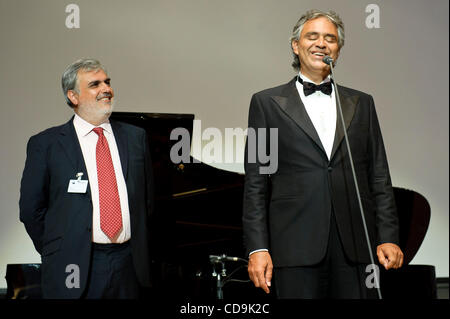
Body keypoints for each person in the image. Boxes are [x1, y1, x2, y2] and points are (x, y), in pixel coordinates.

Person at [243, 10, 404, 299]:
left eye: (330, 38)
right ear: (296, 45)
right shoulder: (266, 103)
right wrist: (258, 247)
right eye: (312, 36)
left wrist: (388, 237)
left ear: (338, 49)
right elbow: (256, 182)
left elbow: (379, 175)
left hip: (355, 246)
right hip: (294, 247)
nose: (321, 43)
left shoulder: (361, 103)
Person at [19, 58, 154, 299]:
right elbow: (31, 210)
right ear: (73, 97)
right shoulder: (46, 144)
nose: (106, 89)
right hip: (74, 265)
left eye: (107, 82)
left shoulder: (136, 138)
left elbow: (147, 203)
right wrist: (59, 250)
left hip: (128, 265)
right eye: (95, 84)